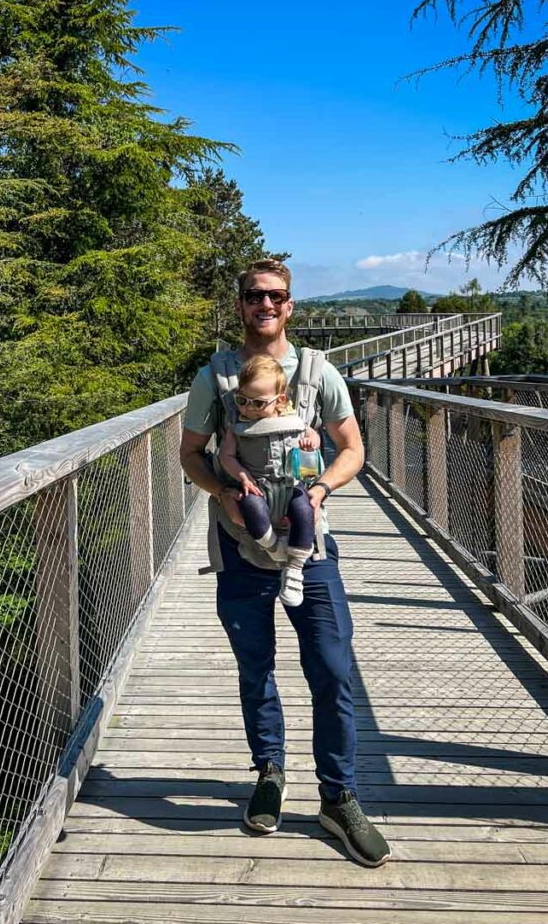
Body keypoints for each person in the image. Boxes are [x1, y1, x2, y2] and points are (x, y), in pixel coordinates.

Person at [180, 258, 392, 867]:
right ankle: (269, 773)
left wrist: (320, 490)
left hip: (310, 544)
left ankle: (338, 797)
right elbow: (191, 453)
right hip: (240, 548)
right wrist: (224, 493)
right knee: (257, 669)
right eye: (253, 296)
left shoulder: (320, 373)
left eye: (275, 296)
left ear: (291, 305)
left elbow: (351, 448)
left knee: (332, 668)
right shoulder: (216, 378)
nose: (264, 305)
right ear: (240, 304)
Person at [218, 354, 321, 607]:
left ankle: (294, 568)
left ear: (280, 401)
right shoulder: (237, 427)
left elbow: (313, 438)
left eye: (258, 403)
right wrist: (242, 475)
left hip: (290, 485)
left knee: (304, 509)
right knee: (251, 508)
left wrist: (310, 444)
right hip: (259, 485)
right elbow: (226, 456)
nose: (248, 408)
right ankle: (275, 548)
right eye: (241, 400)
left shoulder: (294, 421)